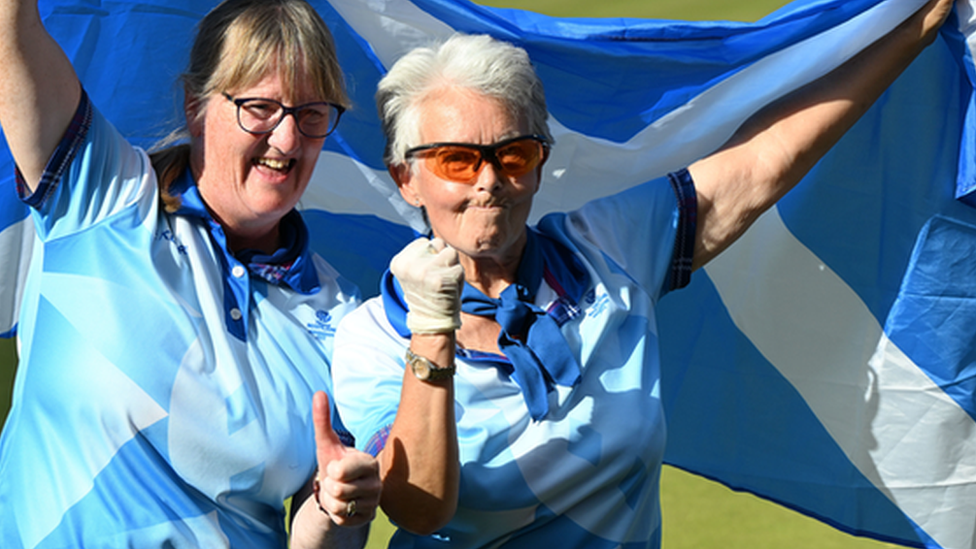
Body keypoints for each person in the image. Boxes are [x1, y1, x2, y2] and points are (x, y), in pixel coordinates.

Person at [329, 0, 956, 547]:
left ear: (540, 164)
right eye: (456, 160)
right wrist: (433, 330)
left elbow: (764, 163)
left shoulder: (608, 248)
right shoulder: (371, 339)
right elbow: (417, 508)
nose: (490, 180)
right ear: (405, 177)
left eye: (513, 154)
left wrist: (911, 27)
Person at [0, 0, 381, 547]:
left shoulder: (342, 313)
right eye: (260, 109)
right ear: (196, 105)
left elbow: (320, 531)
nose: (288, 141)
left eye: (311, 115)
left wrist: (335, 505)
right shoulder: (105, 196)